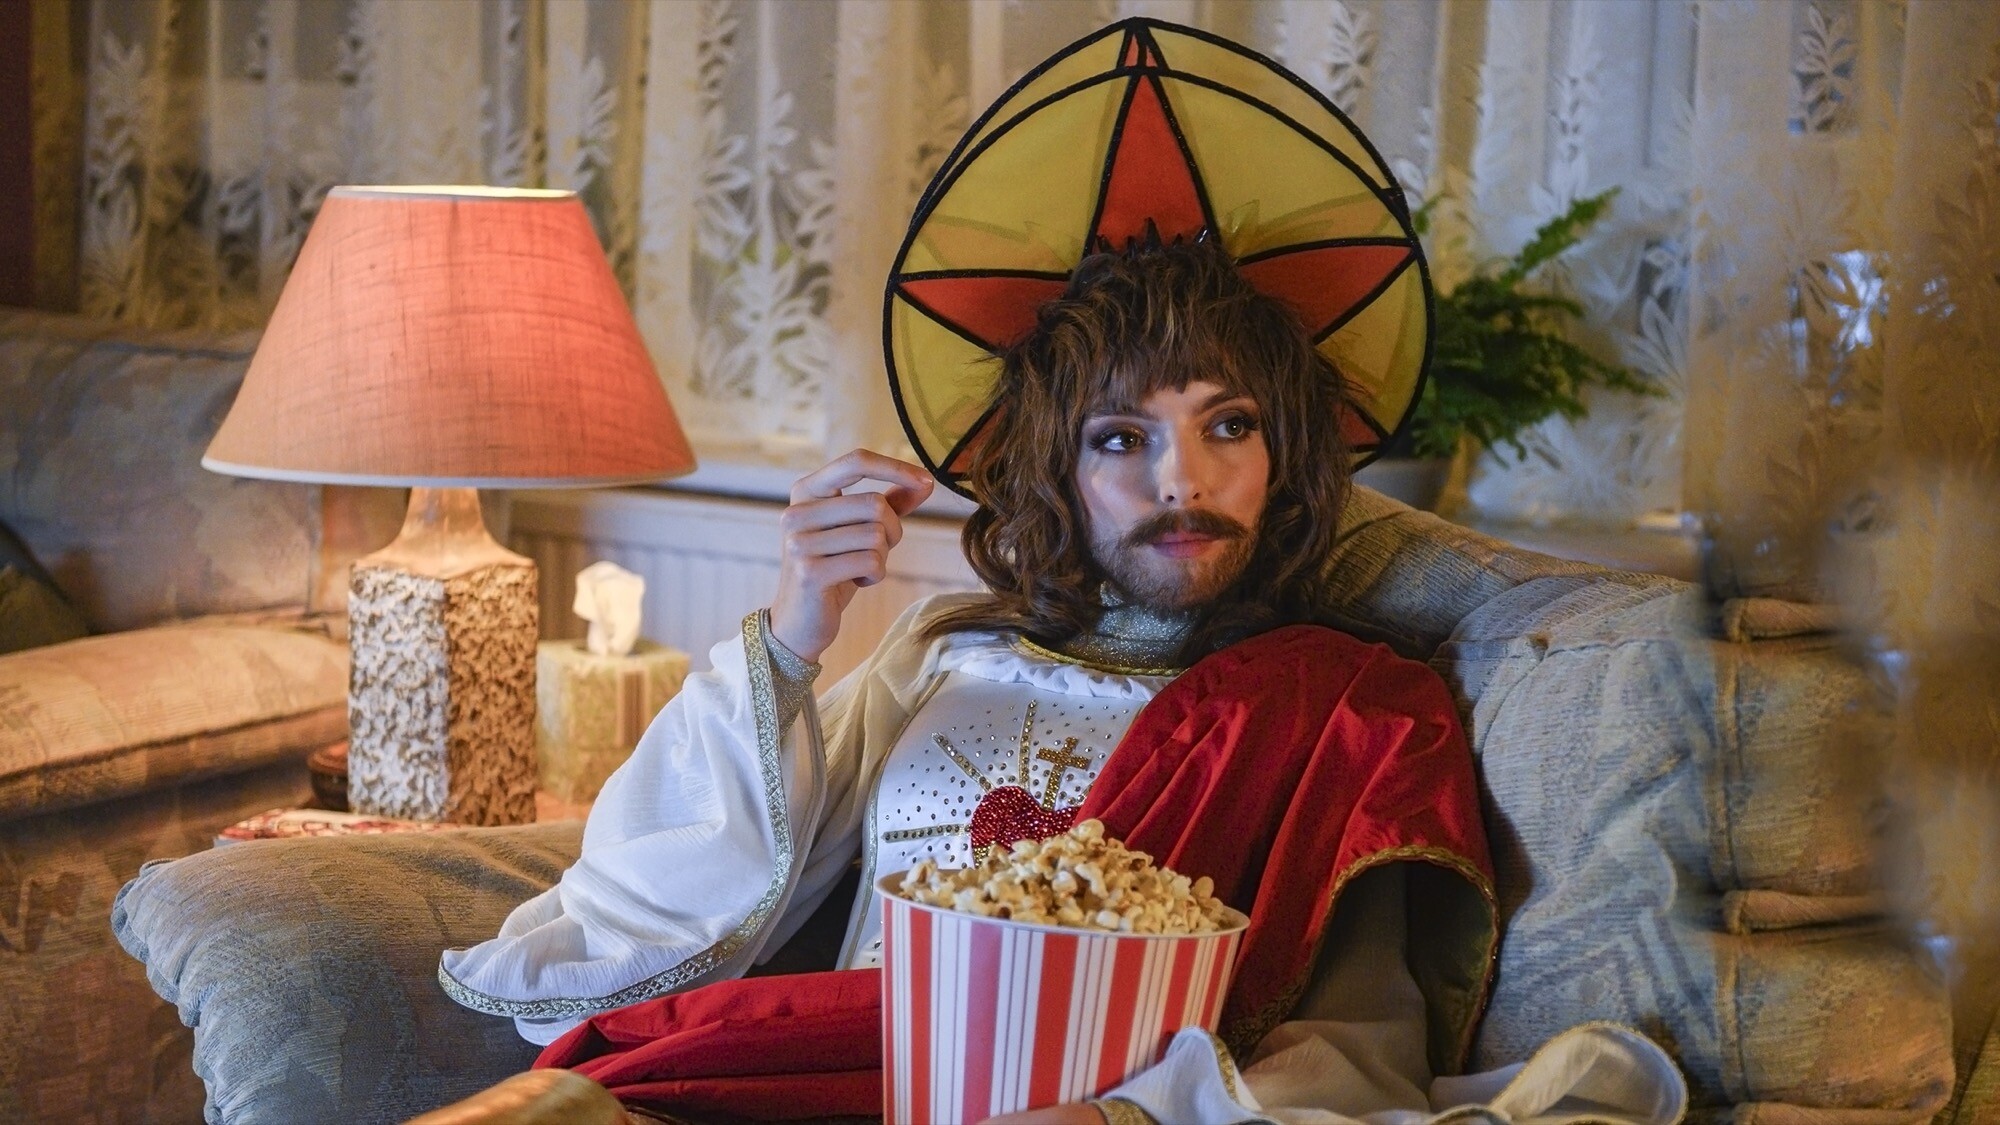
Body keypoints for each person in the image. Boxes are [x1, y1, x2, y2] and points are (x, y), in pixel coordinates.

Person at [441, 19, 1684, 1124]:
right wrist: (795, 631)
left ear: (1287, 458)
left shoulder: (1341, 711)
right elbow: (655, 912)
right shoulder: (943, 651)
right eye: (1120, 439)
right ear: (1054, 471)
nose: (1181, 480)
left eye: (1228, 424)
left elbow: (1353, 1054)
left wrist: (1108, 1119)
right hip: (815, 1079)